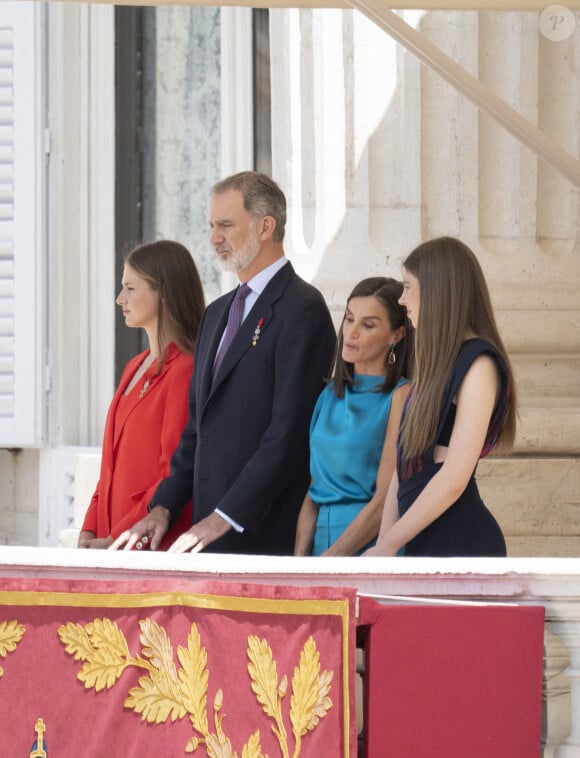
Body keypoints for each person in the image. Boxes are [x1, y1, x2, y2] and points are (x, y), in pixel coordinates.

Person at [113, 171, 336, 554]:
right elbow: (196, 431)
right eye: (212, 225)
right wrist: (163, 507)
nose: (214, 238)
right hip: (205, 535)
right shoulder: (216, 314)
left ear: (266, 226)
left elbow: (289, 434)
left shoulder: (303, 309)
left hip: (264, 538)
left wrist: (225, 517)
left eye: (226, 225)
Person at [365, 236, 517, 557]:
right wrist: (384, 545)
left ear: (437, 291)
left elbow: (453, 478)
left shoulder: (479, 363)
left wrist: (389, 545)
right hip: (425, 546)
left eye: (408, 287)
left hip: (462, 546)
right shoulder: (437, 366)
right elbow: (403, 466)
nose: (402, 300)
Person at [78, 240, 205, 550]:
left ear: (163, 292)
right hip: (109, 544)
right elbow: (108, 469)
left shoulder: (185, 369)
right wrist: (89, 530)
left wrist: (117, 537)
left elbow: (172, 473)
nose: (120, 299)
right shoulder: (134, 366)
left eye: (130, 289)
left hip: (148, 544)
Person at [294, 277, 413, 557]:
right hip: (320, 548)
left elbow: (383, 503)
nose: (351, 332)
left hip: (367, 548)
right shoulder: (329, 395)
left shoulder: (402, 396)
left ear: (396, 335)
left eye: (368, 325)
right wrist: (299, 564)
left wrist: (329, 563)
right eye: (349, 319)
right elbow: (314, 492)